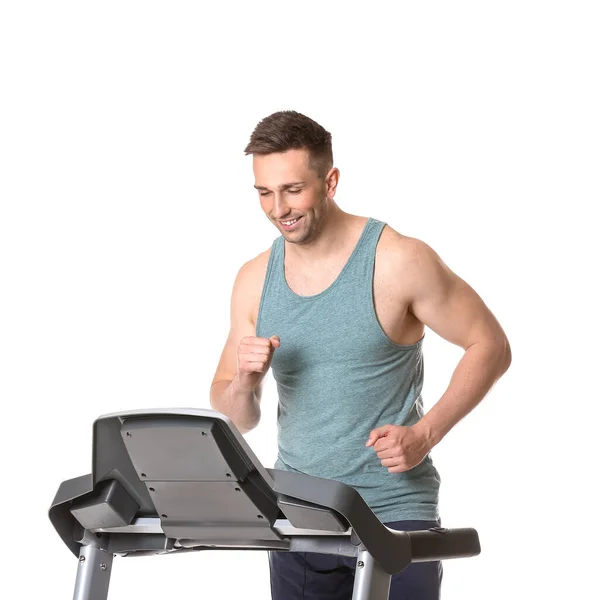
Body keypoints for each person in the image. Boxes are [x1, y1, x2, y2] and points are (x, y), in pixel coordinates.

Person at [210, 110, 511, 600]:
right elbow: (236, 416)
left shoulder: (398, 259)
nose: (277, 208)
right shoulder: (253, 279)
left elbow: (491, 345)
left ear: (330, 181)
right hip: (300, 514)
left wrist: (425, 432)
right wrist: (244, 382)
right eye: (264, 192)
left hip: (394, 510)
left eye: (292, 190)